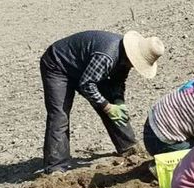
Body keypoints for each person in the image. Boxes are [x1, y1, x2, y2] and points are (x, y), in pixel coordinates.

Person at [39, 29, 165, 175]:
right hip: (58, 65)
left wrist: (118, 101)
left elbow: (118, 81)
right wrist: (107, 107)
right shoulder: (107, 56)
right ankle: (56, 166)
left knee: (112, 104)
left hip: (85, 67)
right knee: (59, 115)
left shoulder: (124, 58)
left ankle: (128, 147)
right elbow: (87, 84)